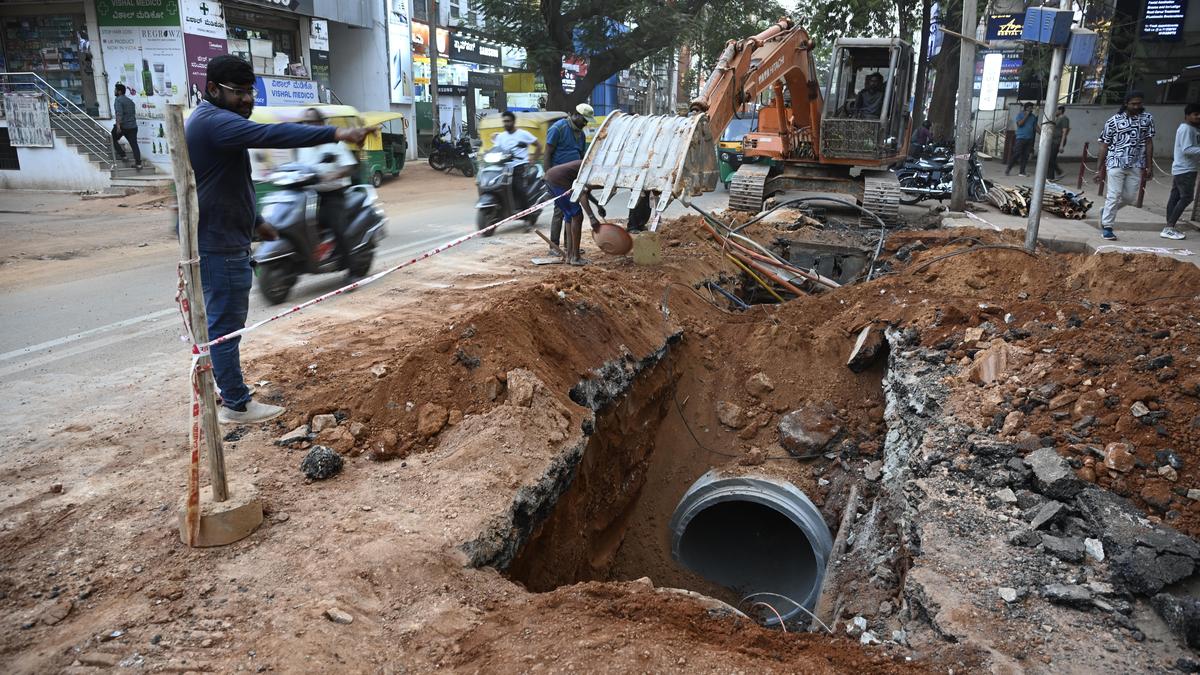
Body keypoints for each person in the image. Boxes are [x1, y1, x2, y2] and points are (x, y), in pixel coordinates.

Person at [186, 55, 373, 424]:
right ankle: (236, 405)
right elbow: (270, 135)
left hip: (230, 236)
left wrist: (258, 223)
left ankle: (227, 395)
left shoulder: (216, 123)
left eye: (249, 92)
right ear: (212, 90)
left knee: (224, 326)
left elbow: (229, 184)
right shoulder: (214, 122)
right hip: (219, 243)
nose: (247, 100)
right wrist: (337, 132)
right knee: (225, 328)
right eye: (237, 92)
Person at [297, 107, 361, 277]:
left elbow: (350, 165)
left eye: (312, 122)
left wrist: (336, 173)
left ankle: (352, 270)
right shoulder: (301, 144)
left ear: (321, 123)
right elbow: (296, 167)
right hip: (309, 195)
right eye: (306, 123)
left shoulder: (335, 142)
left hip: (333, 195)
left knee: (337, 227)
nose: (309, 126)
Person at [1096, 91, 1155, 242]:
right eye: (1133, 104)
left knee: (1129, 198)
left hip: (1136, 163)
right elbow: (1104, 145)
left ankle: (1105, 211)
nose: (1136, 106)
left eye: (1139, 103)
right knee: (1114, 195)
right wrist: (1099, 169)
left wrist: (1149, 166)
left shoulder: (1147, 119)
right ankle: (1107, 227)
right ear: (1126, 104)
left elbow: (1149, 142)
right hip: (1116, 161)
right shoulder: (1113, 121)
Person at [544, 104, 594, 253]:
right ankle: (554, 246)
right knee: (560, 211)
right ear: (575, 115)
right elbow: (548, 152)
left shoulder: (581, 134)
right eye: (584, 120)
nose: (585, 123)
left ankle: (570, 245)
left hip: (572, 177)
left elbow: (580, 156)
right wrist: (547, 173)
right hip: (558, 178)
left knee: (571, 212)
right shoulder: (558, 129)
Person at [544, 159, 602, 265]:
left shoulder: (590, 165)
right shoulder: (592, 169)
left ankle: (570, 256)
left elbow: (586, 192)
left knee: (569, 216)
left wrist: (598, 204)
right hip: (558, 181)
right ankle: (576, 257)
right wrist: (592, 217)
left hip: (551, 178)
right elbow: (582, 194)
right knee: (577, 215)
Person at [1164, 103, 1200, 240]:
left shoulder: (1193, 129)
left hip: (1185, 168)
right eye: (1195, 114)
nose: (1198, 117)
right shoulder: (1186, 129)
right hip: (1185, 168)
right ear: (1187, 116)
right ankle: (1169, 227)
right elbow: (1187, 149)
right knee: (1187, 197)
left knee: (1175, 196)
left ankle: (1169, 226)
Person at [111, 83, 141, 170]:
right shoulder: (130, 101)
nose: (114, 91)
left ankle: (123, 155)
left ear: (119, 92)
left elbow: (119, 114)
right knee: (134, 145)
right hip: (133, 126)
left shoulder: (118, 100)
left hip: (123, 126)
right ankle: (138, 163)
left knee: (112, 138)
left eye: (115, 90)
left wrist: (118, 126)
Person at [1006, 102, 1036, 177]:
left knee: (1025, 156)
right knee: (1017, 153)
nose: (1031, 109)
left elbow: (1035, 126)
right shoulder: (1020, 115)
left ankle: (1022, 172)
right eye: (1030, 108)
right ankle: (1008, 168)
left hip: (1029, 139)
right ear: (1026, 108)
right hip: (1020, 138)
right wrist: (1026, 116)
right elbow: (1020, 124)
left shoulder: (1033, 117)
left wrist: (1042, 133)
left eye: (1032, 108)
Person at [1049, 106, 1070, 179]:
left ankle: (1060, 172)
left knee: (1051, 158)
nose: (1055, 112)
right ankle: (1050, 177)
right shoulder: (1057, 119)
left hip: (1058, 141)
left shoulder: (1064, 119)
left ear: (1060, 110)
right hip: (1054, 140)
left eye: (1056, 110)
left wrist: (1061, 145)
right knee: (1050, 159)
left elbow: (1064, 132)